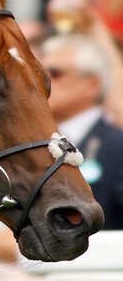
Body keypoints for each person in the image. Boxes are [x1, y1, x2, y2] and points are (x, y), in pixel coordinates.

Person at [40, 33, 123, 229]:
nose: (44, 82)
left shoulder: (117, 145)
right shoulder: (33, 143)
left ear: (92, 84)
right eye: (40, 73)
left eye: (55, 73)